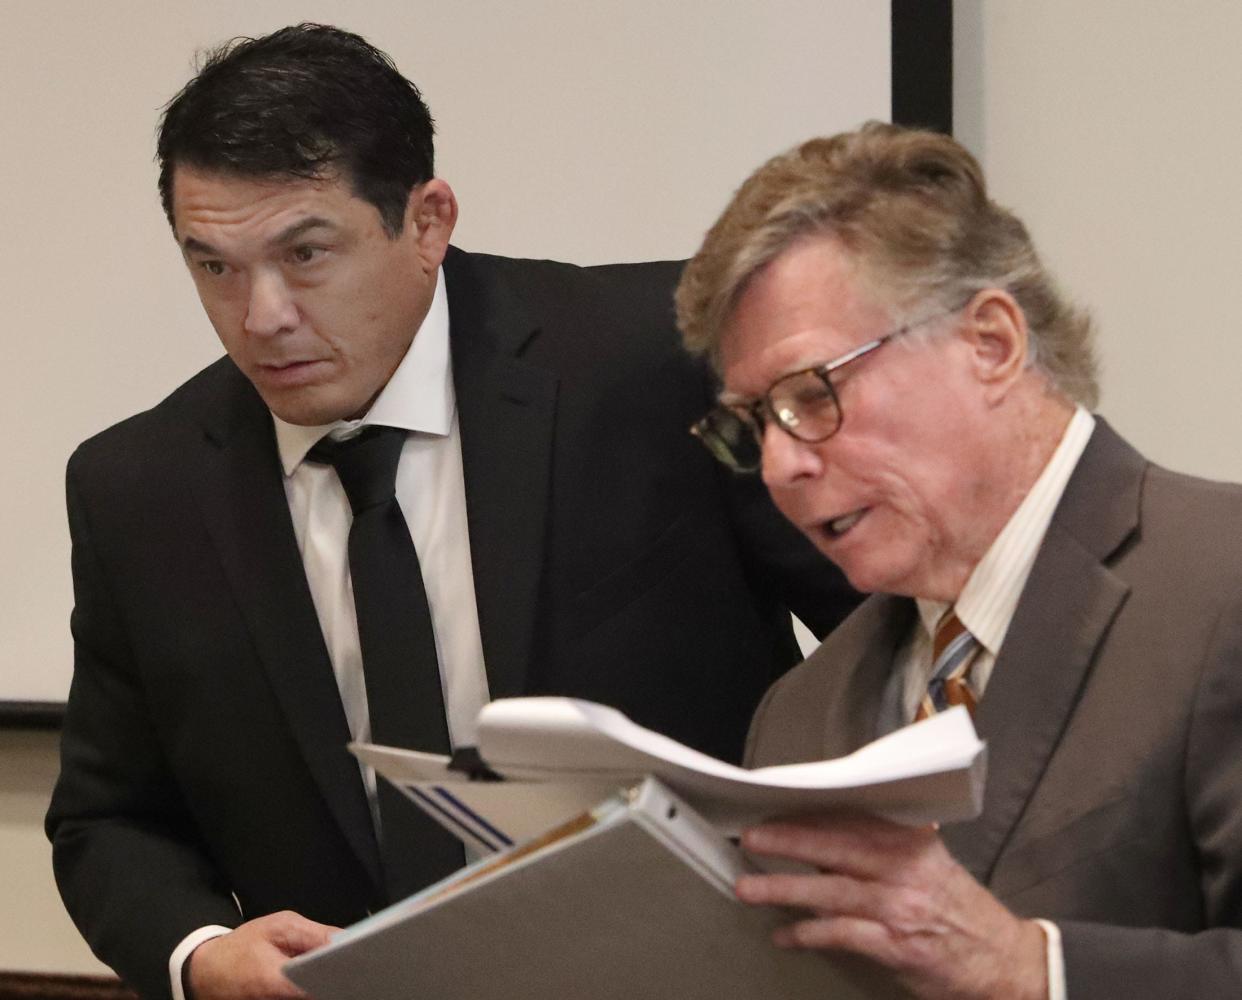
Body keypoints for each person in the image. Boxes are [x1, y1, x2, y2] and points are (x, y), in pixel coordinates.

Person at [45, 24, 858, 1000]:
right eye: (214, 266)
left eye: (305, 254)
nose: (261, 316)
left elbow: (891, 631)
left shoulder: (658, 364)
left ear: (427, 221)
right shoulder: (140, 488)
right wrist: (200, 952)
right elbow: (111, 820)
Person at [675, 121, 1242, 999]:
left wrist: (1028, 970)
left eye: (810, 395)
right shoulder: (799, 716)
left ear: (991, 344)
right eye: (754, 423)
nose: (781, 466)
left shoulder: (1220, 584)